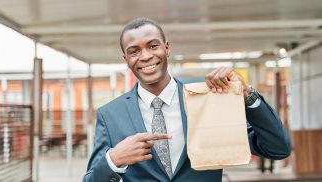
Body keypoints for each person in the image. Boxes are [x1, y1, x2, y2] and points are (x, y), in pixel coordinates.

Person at [83, 17, 292, 182]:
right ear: (126, 59)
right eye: (134, 51)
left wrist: (248, 96)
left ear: (167, 48)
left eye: (153, 46)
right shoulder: (109, 115)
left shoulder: (209, 99)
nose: (145, 56)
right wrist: (114, 160)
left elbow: (278, 148)